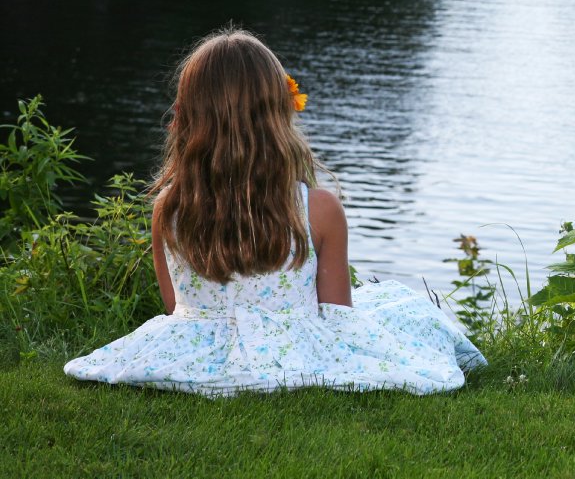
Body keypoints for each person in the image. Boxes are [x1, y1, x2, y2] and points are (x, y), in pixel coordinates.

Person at [64, 28, 485, 396]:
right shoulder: (318, 209)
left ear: (188, 116)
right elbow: (337, 314)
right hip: (293, 350)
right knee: (401, 308)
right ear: (278, 115)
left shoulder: (169, 208)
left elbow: (177, 310)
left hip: (193, 350)